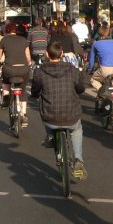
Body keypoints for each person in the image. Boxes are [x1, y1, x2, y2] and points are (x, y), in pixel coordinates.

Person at [31, 41, 86, 178]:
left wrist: (35, 95)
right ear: (62, 53)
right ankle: (78, 159)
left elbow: (34, 91)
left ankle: (50, 136)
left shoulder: (40, 71)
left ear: (46, 54)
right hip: (71, 114)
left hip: (50, 116)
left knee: (48, 118)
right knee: (76, 130)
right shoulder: (72, 69)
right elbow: (81, 89)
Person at [0, 22, 32, 126]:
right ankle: (24, 114)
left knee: (5, 80)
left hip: (9, 69)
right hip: (23, 69)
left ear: (6, 31)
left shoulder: (4, 40)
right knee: (23, 90)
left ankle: (6, 97)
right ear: (15, 31)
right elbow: (28, 56)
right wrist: (28, 64)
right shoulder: (23, 40)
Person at [88, 24, 113, 98]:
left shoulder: (96, 44)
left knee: (94, 80)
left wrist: (90, 69)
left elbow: (92, 59)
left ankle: (103, 91)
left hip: (105, 68)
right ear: (108, 33)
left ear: (99, 33)